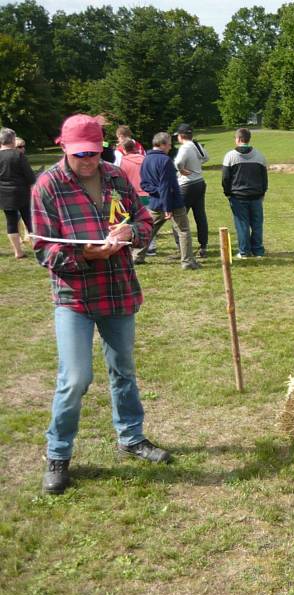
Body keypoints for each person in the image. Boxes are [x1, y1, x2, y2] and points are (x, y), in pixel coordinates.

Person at [31, 114, 169, 495]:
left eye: (93, 152)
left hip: (118, 290)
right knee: (75, 378)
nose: (88, 160)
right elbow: (43, 250)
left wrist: (130, 232)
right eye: (80, 154)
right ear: (64, 147)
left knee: (122, 369)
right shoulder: (47, 186)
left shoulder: (116, 176)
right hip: (74, 297)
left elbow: (144, 220)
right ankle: (58, 455)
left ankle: (131, 437)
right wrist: (86, 257)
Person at [136, 132, 201, 270]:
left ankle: (137, 256)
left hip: (154, 202)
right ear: (162, 144)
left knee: (149, 230)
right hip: (172, 203)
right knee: (183, 231)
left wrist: (156, 193)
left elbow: (144, 184)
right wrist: (167, 208)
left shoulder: (146, 159)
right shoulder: (165, 161)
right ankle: (187, 261)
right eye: (169, 144)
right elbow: (166, 186)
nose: (171, 147)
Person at [221, 127, 268, 258]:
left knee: (242, 225)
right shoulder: (259, 155)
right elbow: (264, 177)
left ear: (238, 139)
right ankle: (258, 250)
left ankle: (244, 251)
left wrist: (227, 193)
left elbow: (225, 178)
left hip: (237, 196)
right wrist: (263, 192)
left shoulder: (230, 156)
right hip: (256, 196)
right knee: (257, 224)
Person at [0, 127, 36, 258]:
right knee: (29, 220)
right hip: (21, 192)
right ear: (12, 139)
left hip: (4, 194)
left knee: (11, 222)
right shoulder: (18, 155)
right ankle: (37, 248)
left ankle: (17, 252)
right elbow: (29, 175)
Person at [174, 123, 209, 258]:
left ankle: (181, 248)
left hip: (186, 185)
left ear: (181, 136)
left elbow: (177, 163)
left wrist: (181, 169)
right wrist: (197, 166)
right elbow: (206, 157)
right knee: (200, 216)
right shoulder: (196, 144)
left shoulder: (185, 147)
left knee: (179, 217)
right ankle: (203, 246)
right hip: (199, 182)